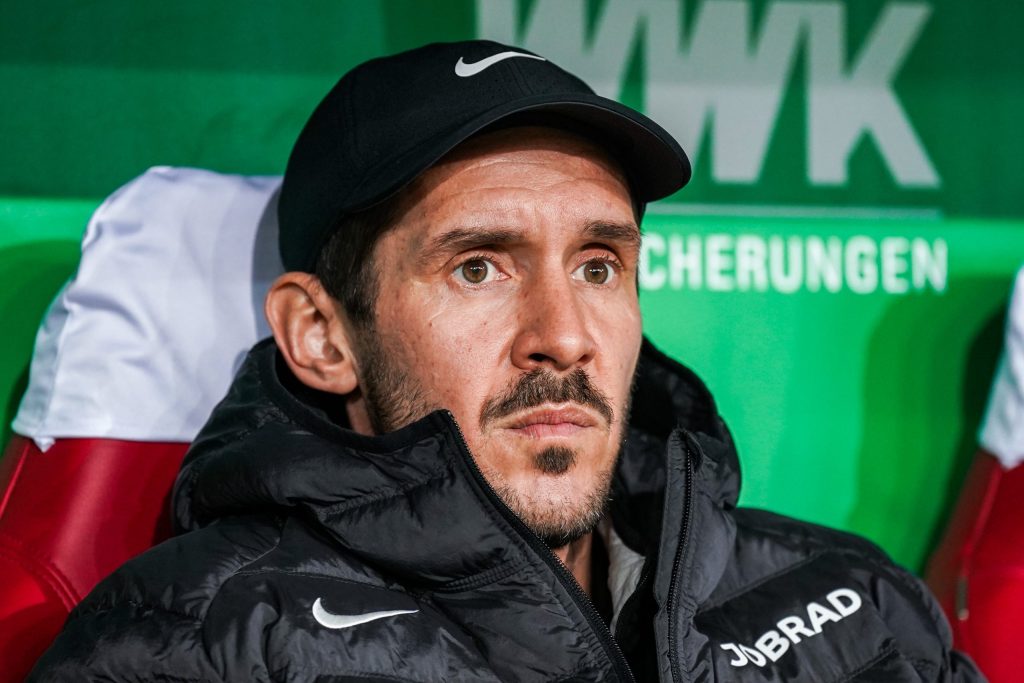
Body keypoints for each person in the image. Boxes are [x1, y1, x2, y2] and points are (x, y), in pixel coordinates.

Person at [31, 40, 981, 682]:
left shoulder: (855, 599)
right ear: (322, 335)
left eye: (598, 264)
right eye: (478, 266)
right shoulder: (194, 648)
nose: (563, 335)